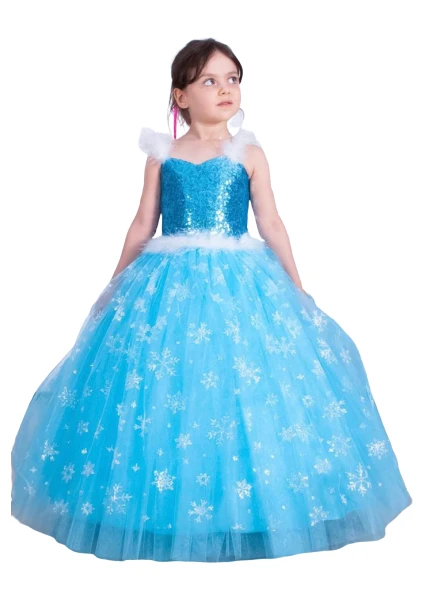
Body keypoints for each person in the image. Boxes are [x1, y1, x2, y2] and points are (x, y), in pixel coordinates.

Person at [11, 37, 412, 563]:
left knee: (244, 386)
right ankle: (164, 510)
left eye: (233, 79)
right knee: (164, 389)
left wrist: (297, 288)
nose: (225, 89)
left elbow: (270, 222)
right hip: (166, 286)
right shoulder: (162, 156)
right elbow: (142, 223)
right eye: (209, 80)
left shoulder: (249, 153)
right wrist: (113, 285)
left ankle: (248, 510)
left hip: (241, 283)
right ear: (180, 96)